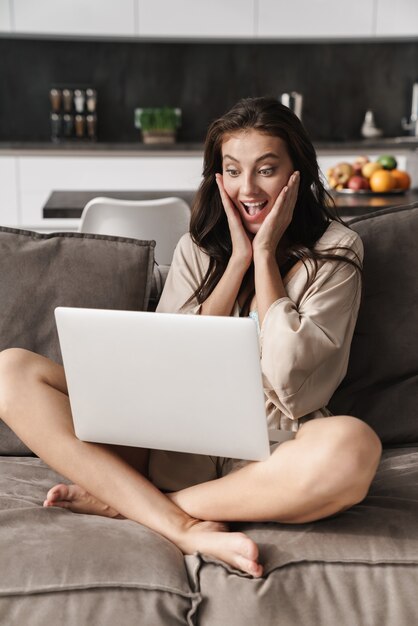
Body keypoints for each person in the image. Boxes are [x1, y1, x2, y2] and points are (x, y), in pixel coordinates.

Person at [0, 96, 382, 578]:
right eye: (233, 170)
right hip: (174, 440)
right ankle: (177, 522)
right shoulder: (197, 249)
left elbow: (289, 379)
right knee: (10, 370)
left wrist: (266, 258)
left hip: (273, 451)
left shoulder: (337, 249)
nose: (249, 188)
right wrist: (237, 261)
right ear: (217, 178)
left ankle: (140, 506)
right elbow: (170, 363)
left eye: (266, 169)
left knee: (354, 446)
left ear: (296, 174)